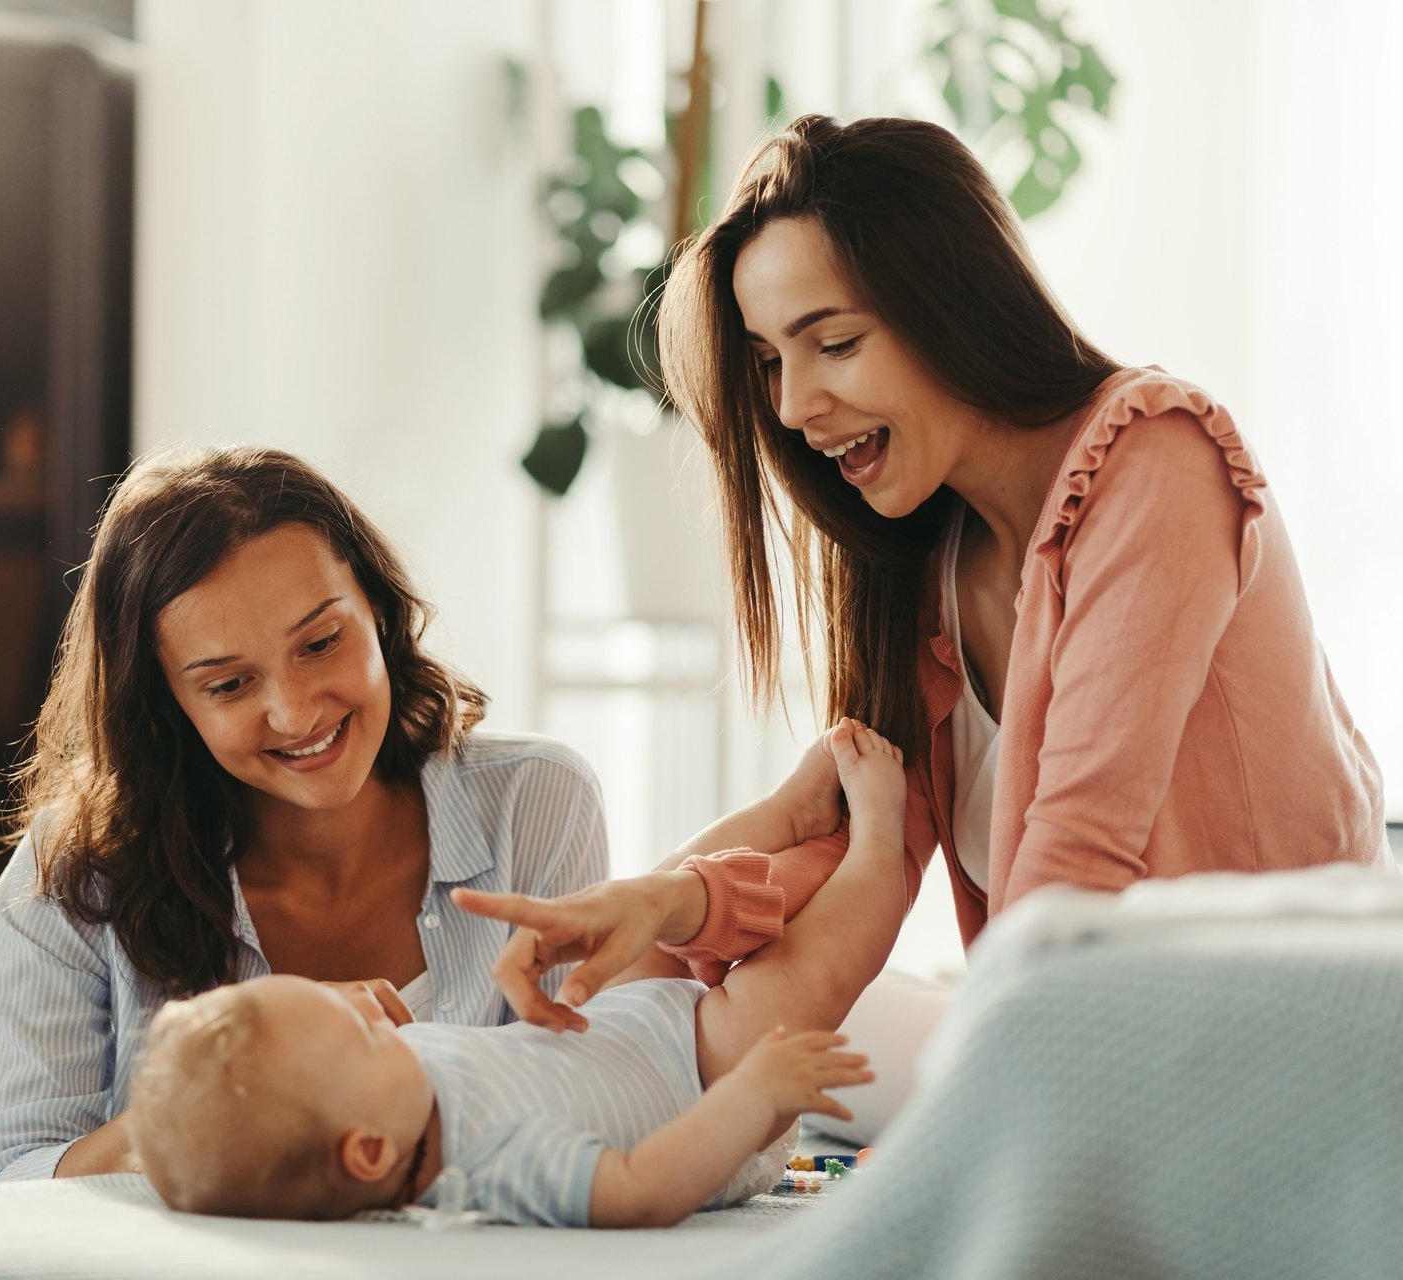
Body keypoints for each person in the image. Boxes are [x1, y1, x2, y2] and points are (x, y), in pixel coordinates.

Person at [458, 114, 1388, 1105]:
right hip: (1104, 1034)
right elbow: (849, 854)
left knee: (805, 1053)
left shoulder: (1159, 457)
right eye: (772, 359)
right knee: (722, 1007)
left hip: (1285, 1058)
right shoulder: (928, 553)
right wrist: (660, 900)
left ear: (952, 303)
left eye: (835, 343)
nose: (793, 405)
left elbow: (1074, 872)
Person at [0, 446, 612, 1216]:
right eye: (229, 683)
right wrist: (211, 1107)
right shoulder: (76, 869)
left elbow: (585, 1101)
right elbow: (5, 1170)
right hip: (105, 1228)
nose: (295, 708)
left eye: (323, 640)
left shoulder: (534, 801)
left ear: (380, 611)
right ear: (166, 704)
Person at [128, 721, 901, 1227]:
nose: (373, 1011)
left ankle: (788, 815)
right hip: (701, 1088)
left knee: (645, 893)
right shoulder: (486, 1168)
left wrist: (343, 1024)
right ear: (368, 1153)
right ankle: (882, 845)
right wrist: (754, 1092)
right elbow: (638, 1187)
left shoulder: (383, 1098)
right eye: (362, 1036)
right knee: (809, 973)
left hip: (618, 1024)